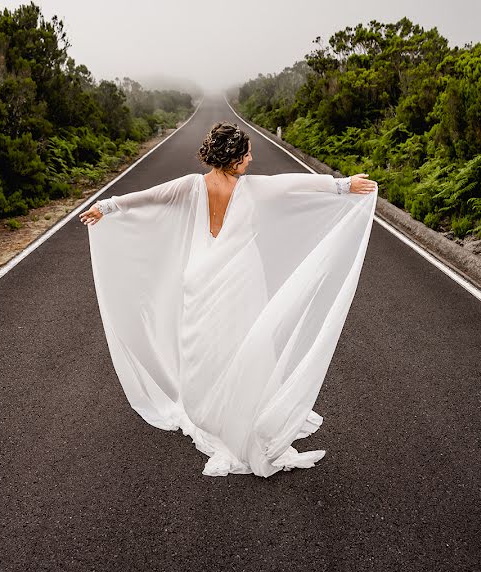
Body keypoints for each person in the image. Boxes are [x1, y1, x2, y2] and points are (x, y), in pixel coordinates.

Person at [80, 121, 378, 477]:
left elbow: (148, 197)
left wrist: (107, 207)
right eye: (247, 153)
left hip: (201, 279)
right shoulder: (251, 189)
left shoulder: (190, 186)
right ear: (234, 160)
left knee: (207, 347)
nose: (252, 158)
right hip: (241, 280)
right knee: (247, 344)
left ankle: (210, 411)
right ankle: (244, 410)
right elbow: (294, 185)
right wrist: (343, 186)